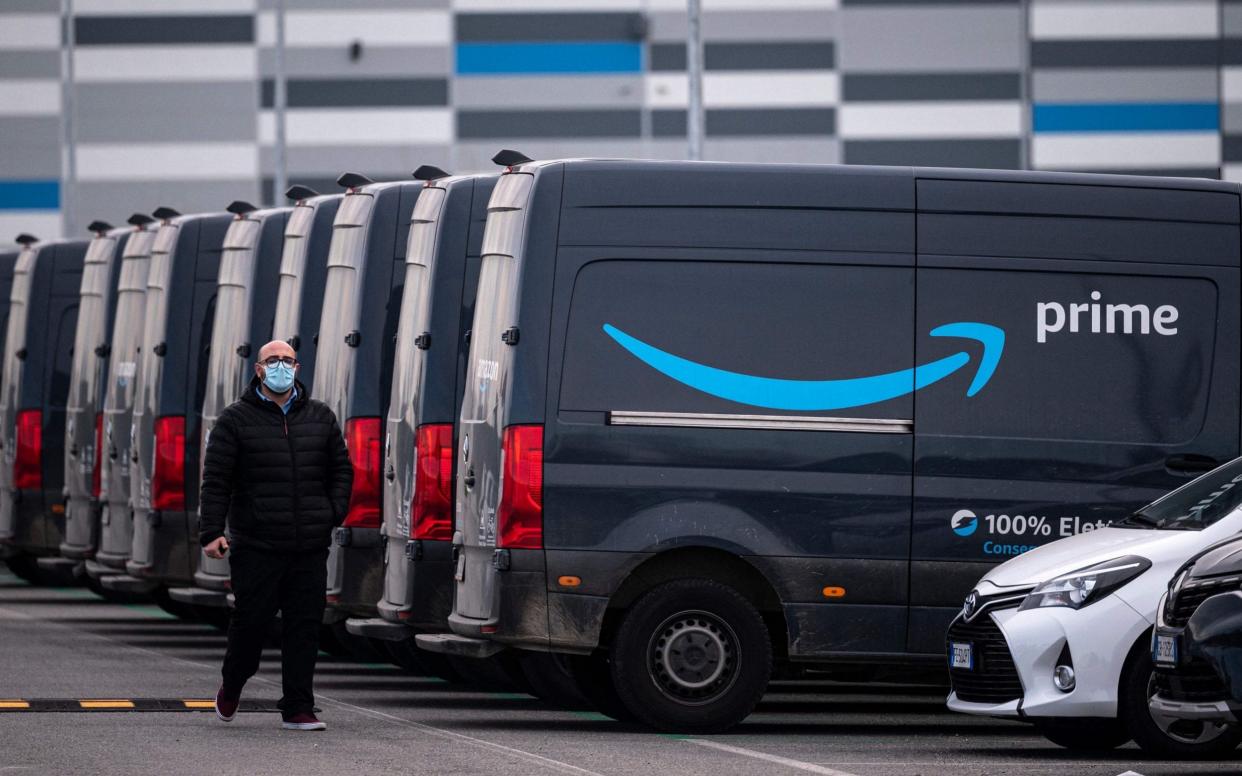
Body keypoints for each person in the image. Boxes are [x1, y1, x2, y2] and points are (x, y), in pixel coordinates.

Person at [199, 339, 352, 731]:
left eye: (287, 360)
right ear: (258, 369)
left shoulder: (320, 417)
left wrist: (332, 513)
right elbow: (216, 481)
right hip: (257, 545)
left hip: (308, 546)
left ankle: (298, 706)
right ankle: (233, 683)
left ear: (298, 368)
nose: (281, 366)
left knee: (304, 627)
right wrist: (211, 532)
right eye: (273, 361)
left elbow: (341, 471)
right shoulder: (235, 420)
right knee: (250, 625)